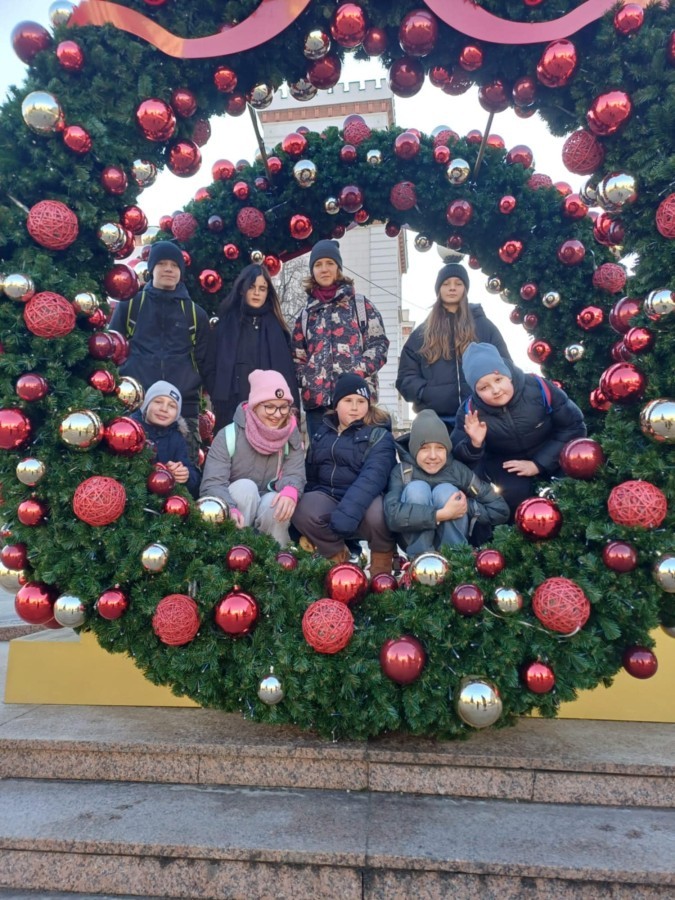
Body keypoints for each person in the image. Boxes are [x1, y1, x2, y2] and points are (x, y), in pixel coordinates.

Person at [451, 342, 587, 518]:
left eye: (498, 379)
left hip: (551, 449)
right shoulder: (469, 412)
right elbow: (458, 458)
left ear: (508, 375)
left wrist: (539, 464)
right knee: (514, 500)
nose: (495, 390)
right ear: (475, 391)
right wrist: (474, 445)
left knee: (572, 488)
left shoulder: (538, 388)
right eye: (484, 387)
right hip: (506, 463)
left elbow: (574, 426)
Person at [109, 240, 211, 465]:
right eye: (162, 264)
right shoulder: (130, 306)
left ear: (181, 271)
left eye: (174, 265)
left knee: (184, 475)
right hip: (135, 408)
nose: (168, 269)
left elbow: (206, 363)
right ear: (151, 269)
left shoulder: (196, 315)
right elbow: (111, 351)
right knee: (132, 474)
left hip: (183, 411)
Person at [291, 373, 397, 576]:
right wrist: (300, 528)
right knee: (303, 506)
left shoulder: (379, 435)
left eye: (361, 401)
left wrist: (345, 516)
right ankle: (339, 558)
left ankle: (382, 567)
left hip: (365, 503)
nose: (355, 407)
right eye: (348, 401)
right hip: (329, 498)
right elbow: (310, 478)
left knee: (378, 513)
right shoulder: (322, 433)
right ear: (336, 404)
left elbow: (371, 479)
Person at [291, 239, 389, 440]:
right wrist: (309, 377)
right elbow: (297, 358)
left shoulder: (360, 306)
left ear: (338, 268)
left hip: (356, 402)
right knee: (321, 457)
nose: (324, 269)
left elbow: (379, 345)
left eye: (329, 263)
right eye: (318, 264)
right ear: (312, 271)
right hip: (318, 406)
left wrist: (357, 372)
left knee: (358, 454)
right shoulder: (306, 315)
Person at [396, 262, 511, 432]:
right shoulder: (422, 333)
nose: (452, 288)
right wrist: (425, 393)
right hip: (436, 420)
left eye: (458, 283)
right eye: (446, 284)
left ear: (465, 288)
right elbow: (406, 377)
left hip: (481, 416)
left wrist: (490, 389)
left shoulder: (483, 326)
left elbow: (506, 365)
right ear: (439, 289)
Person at [199, 370, 305, 547]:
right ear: (255, 406)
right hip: (237, 501)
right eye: (269, 406)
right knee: (245, 488)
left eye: (283, 407)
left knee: (276, 503)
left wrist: (290, 490)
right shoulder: (228, 435)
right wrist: (229, 508)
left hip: (268, 502)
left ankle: (276, 557)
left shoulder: (290, 434)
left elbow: (295, 472)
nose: (277, 414)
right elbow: (212, 483)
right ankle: (235, 550)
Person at [384, 409, 509, 555]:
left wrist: (462, 507)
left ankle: (454, 556)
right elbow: (391, 515)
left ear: (447, 450)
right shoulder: (402, 472)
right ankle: (421, 557)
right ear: (413, 449)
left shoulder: (458, 471)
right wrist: (440, 514)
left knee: (446, 491)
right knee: (417, 489)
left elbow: (500, 509)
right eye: (424, 448)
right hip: (415, 547)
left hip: (454, 548)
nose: (433, 456)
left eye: (439, 448)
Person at [207, 263, 299, 434]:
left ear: (267, 293)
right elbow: (211, 364)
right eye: (251, 287)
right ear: (242, 289)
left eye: (262, 288)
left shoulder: (276, 327)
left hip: (269, 410)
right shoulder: (226, 324)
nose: (257, 293)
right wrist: (217, 394)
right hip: (230, 407)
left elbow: (286, 373)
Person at [132, 380, 201, 499]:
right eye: (158, 402)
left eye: (172, 406)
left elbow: (190, 472)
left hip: (165, 502)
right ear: (146, 405)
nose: (164, 409)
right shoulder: (132, 431)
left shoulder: (177, 437)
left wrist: (186, 475)